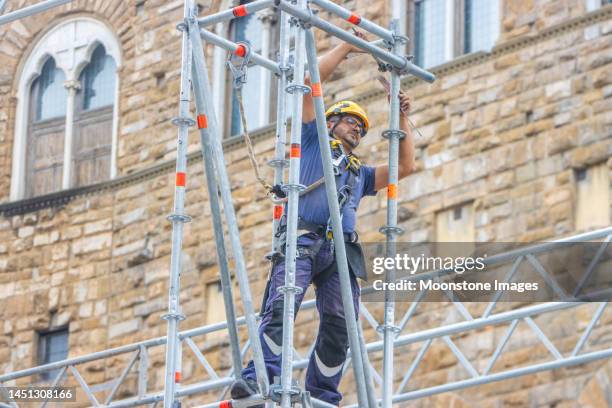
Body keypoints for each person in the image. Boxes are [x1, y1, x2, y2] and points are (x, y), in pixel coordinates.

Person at [230, 35, 415, 406]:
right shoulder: (313, 140)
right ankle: (257, 379)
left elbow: (405, 167)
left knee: (340, 323)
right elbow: (308, 90)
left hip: (340, 252)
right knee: (283, 305)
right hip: (303, 238)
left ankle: (322, 394)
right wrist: (346, 48)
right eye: (350, 122)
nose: (357, 130)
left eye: (362, 129)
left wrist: (402, 116)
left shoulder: (358, 173)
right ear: (331, 123)